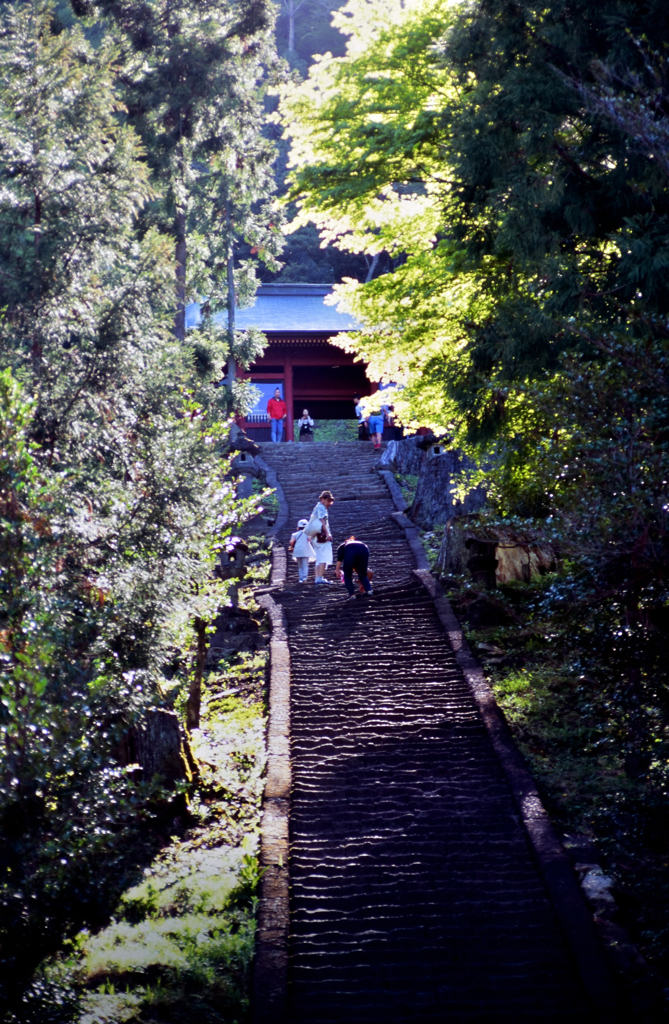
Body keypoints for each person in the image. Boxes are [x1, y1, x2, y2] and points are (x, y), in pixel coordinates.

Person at [305, 490, 334, 584]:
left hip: (316, 537)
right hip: (321, 536)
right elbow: (323, 521)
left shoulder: (318, 507)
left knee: (318, 557)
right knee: (323, 557)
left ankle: (317, 578)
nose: (329, 503)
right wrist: (327, 533)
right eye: (328, 500)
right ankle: (320, 578)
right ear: (322, 499)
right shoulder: (321, 507)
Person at [288, 518, 316, 583]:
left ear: (298, 527)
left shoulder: (294, 534)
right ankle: (304, 578)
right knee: (305, 565)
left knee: (299, 565)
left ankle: (300, 578)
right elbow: (309, 540)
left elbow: (291, 542)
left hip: (297, 551)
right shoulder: (307, 534)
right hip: (305, 550)